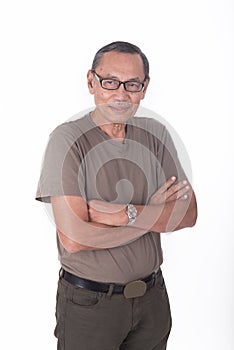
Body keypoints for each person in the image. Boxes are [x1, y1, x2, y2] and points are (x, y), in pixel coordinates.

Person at [36, 41, 197, 350]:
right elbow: (74, 239)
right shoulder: (68, 139)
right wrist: (156, 212)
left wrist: (122, 213)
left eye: (132, 84)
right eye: (109, 82)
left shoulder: (155, 133)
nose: (121, 93)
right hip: (91, 306)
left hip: (153, 301)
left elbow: (188, 215)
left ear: (144, 88)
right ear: (91, 82)